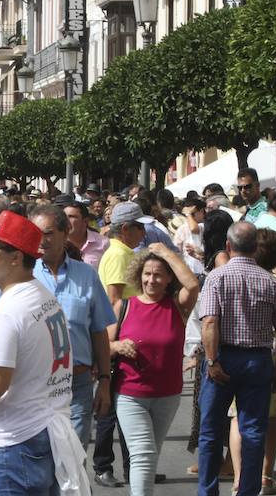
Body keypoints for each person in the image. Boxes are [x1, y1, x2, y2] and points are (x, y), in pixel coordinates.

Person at [0, 211, 86, 495]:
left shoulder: (4, 311)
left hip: (18, 439)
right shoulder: (42, 295)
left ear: (16, 257)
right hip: (44, 428)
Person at [198, 222, 276, 496]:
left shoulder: (217, 278)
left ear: (228, 246)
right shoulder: (274, 285)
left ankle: (207, 491)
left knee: (211, 431)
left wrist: (213, 361)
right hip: (258, 359)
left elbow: (210, 322)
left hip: (224, 356)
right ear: (255, 248)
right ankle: (248, 490)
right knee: (253, 431)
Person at [111, 245, 199, 495]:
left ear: (169, 277)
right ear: (139, 275)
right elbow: (103, 347)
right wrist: (116, 345)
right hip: (130, 394)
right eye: (147, 273)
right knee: (143, 453)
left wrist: (167, 253)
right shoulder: (124, 306)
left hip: (167, 395)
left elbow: (192, 285)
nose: (151, 279)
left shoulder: (177, 306)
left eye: (158, 274)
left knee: (151, 453)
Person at [29, 205, 115, 448]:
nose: (41, 240)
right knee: (40, 461)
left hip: (77, 384)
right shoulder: (22, 274)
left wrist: (105, 381)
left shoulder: (86, 275)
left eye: (47, 233)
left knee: (74, 460)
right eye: (35, 233)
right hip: (34, 383)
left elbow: (98, 331)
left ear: (65, 233)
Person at [228, 228, 276, 495]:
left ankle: (238, 478)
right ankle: (265, 476)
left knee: (238, 418)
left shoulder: (237, 276)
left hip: (241, 353)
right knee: (272, 419)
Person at [93, 200, 153, 486]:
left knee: (128, 409)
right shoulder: (118, 254)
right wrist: (114, 344)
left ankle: (135, 466)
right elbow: (115, 299)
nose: (143, 232)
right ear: (126, 228)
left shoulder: (125, 252)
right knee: (110, 410)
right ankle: (103, 465)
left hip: (126, 339)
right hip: (119, 340)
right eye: (139, 226)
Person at [63, 201, 109, 270]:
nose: (66, 221)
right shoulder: (56, 243)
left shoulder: (103, 244)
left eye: (71, 217)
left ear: (85, 221)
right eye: (64, 217)